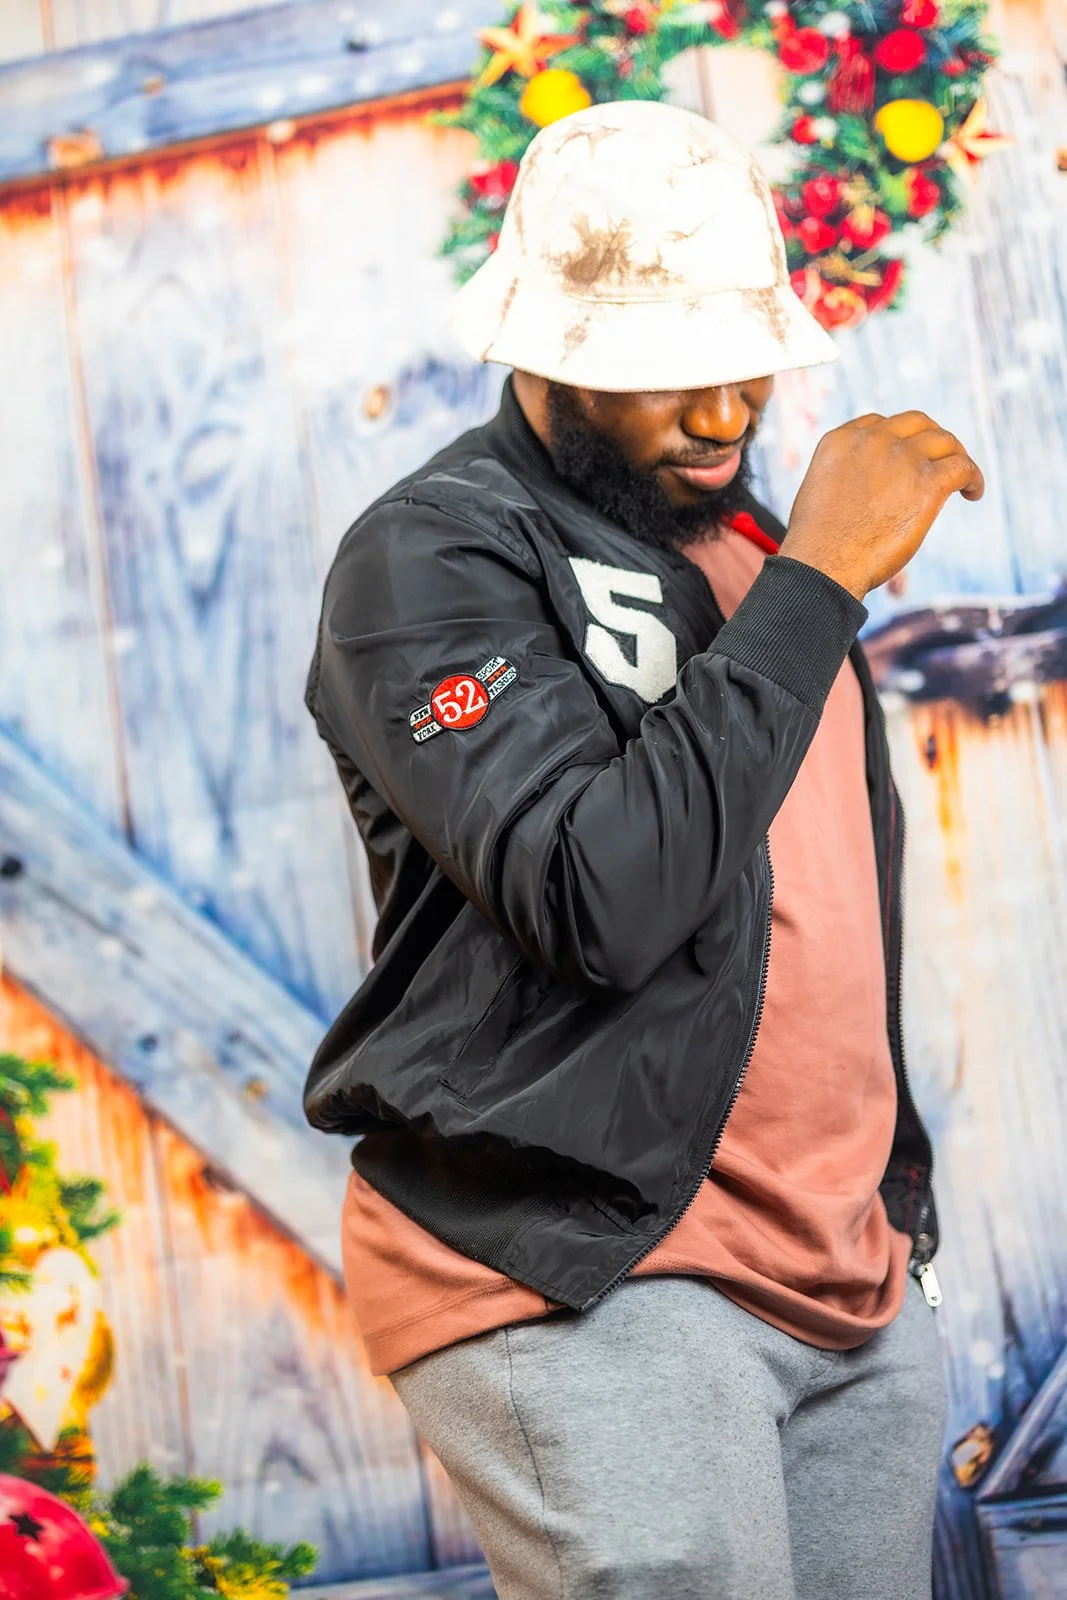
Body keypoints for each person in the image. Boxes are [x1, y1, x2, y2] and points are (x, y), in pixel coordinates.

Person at [304, 100, 984, 1600]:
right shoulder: (432, 557)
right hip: (589, 1277)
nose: (726, 412)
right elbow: (601, 895)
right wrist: (817, 578)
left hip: (846, 1291)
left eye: (744, 356)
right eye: (659, 372)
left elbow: (819, 923)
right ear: (541, 353)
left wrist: (894, 1217)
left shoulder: (752, 562)